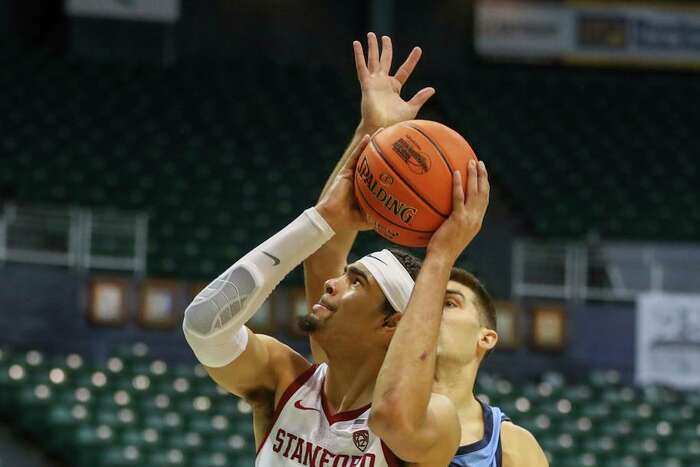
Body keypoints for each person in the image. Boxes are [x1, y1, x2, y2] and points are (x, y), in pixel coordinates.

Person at [182, 33, 481, 466]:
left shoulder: (436, 419)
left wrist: (441, 256)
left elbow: (393, 419)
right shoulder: (284, 380)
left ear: (392, 323)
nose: (332, 284)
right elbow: (204, 326)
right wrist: (322, 217)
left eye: (355, 281)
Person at [304, 34, 549, 467]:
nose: (430, 309)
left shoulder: (512, 447)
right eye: (424, 298)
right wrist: (370, 134)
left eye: (448, 302)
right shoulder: (359, 378)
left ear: (486, 338)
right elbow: (322, 256)